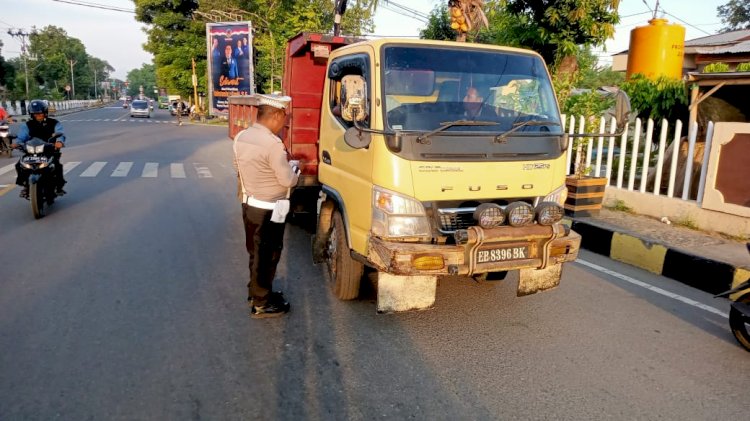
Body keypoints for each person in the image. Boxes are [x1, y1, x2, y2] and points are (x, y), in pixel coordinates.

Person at [233, 93, 299, 318]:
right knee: (268, 254)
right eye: (284, 118)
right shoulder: (272, 144)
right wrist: (295, 172)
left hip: (249, 205)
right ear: (277, 115)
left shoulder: (242, 137)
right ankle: (261, 303)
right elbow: (287, 180)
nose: (284, 123)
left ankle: (257, 291)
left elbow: (239, 167)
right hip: (269, 210)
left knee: (255, 251)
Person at [10, 99, 67, 198]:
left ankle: (59, 187)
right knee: (19, 165)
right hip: (31, 150)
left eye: (40, 113)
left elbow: (60, 134)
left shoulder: (54, 123)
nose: (38, 115)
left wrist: (59, 142)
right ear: (31, 114)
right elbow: (22, 137)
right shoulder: (27, 125)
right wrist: (17, 143)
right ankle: (25, 186)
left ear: (45, 113)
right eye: (35, 114)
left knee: (57, 166)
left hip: (49, 150)